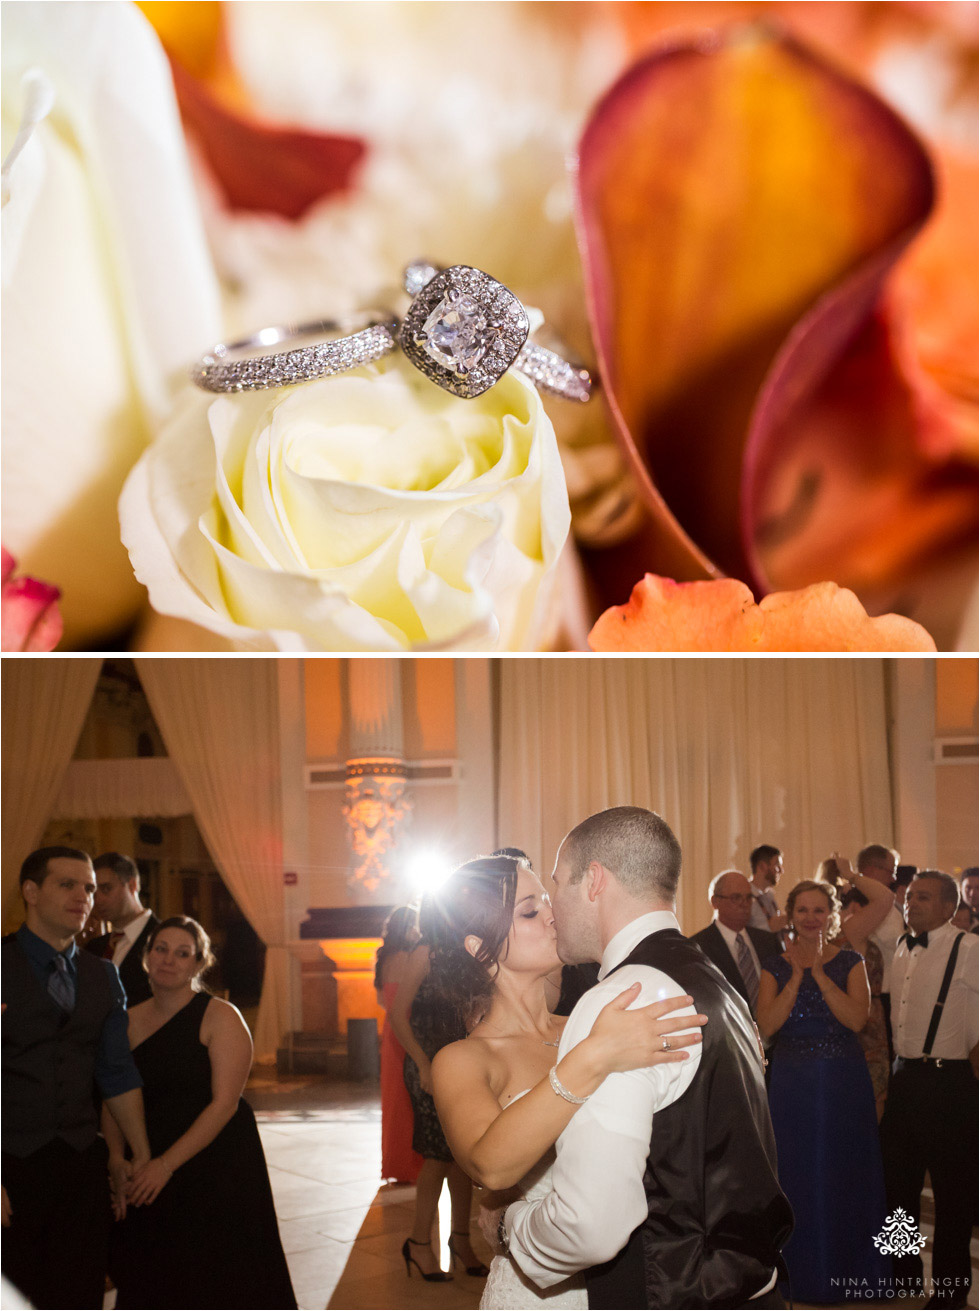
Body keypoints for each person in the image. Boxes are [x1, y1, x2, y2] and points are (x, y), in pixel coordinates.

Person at [500, 808, 792, 1310]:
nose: (552, 911)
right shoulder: (713, 979)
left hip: (671, 1293)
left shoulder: (621, 1000)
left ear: (593, 881)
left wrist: (515, 1227)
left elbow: (592, 1224)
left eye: (556, 887)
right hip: (751, 1285)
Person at [428, 851, 706, 1309]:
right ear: (479, 947)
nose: (553, 915)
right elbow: (490, 1166)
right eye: (530, 911)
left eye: (547, 899)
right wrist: (593, 1056)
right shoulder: (464, 1059)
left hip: (639, 1277)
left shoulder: (590, 1018)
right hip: (540, 1292)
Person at [106, 916, 296, 1310]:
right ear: (146, 957)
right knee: (155, 1271)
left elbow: (225, 1104)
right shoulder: (124, 1021)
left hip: (214, 1158)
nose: (169, 960)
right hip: (148, 1150)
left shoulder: (220, 1017)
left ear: (198, 964)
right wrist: (116, 1156)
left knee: (218, 1272)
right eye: (161, 949)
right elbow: (113, 1093)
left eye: (182, 953)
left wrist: (165, 1166)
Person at [2, 847, 151, 1310]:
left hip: (79, 1164)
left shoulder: (102, 975)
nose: (83, 896)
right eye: (67, 884)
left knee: (78, 1292)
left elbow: (116, 1073)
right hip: (11, 1162)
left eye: (88, 887)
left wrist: (139, 1154)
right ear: (30, 891)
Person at [757, 878, 890, 1304]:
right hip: (792, 1082)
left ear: (831, 916)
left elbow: (856, 1020)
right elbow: (767, 1028)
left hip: (842, 1083)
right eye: (802, 911)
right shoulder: (773, 965)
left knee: (845, 1171)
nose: (811, 919)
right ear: (790, 917)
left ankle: (854, 1273)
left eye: (819, 911)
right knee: (795, 1173)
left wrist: (820, 974)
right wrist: (797, 976)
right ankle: (800, 1274)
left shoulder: (851, 961)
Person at [880, 872, 978, 1309]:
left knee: (952, 1194)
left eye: (922, 897)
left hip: (949, 1083)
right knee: (897, 1189)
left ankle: (951, 1292)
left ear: (947, 906)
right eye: (910, 897)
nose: (911, 903)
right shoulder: (902, 947)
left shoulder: (970, 948)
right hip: (905, 1081)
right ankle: (901, 1278)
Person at [389, 903, 487, 1281]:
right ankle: (418, 1243)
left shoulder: (469, 949)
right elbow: (398, 1015)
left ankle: (460, 1240)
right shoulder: (424, 951)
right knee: (436, 1155)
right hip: (426, 1063)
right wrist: (424, 1065)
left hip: (460, 1063)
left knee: (463, 1155)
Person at [817, 854, 895, 1116]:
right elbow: (884, 900)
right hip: (831, 1037)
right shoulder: (823, 941)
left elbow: (884, 899)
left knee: (865, 1116)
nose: (814, 916)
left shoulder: (849, 933)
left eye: (819, 908)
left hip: (866, 1037)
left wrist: (851, 876)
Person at [374, 904, 423, 1184]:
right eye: (414, 926)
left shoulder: (384, 959)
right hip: (408, 1032)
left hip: (390, 1034)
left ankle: (394, 1164)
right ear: (406, 928)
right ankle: (411, 1166)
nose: (416, 931)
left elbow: (382, 1001)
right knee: (409, 1101)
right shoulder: (409, 958)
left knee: (393, 1101)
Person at [689, 869, 780, 1016]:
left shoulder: (768, 941)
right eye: (736, 898)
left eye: (748, 897)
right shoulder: (697, 947)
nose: (744, 904)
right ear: (715, 902)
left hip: (771, 1032)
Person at [86, 852, 159, 1005]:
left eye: (106, 889)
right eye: (93, 892)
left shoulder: (162, 939)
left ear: (132, 886)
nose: (98, 900)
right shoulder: (93, 947)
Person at [748, 844, 787, 935]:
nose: (781, 871)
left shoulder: (769, 895)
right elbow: (765, 928)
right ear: (762, 866)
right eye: (777, 865)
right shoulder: (745, 895)